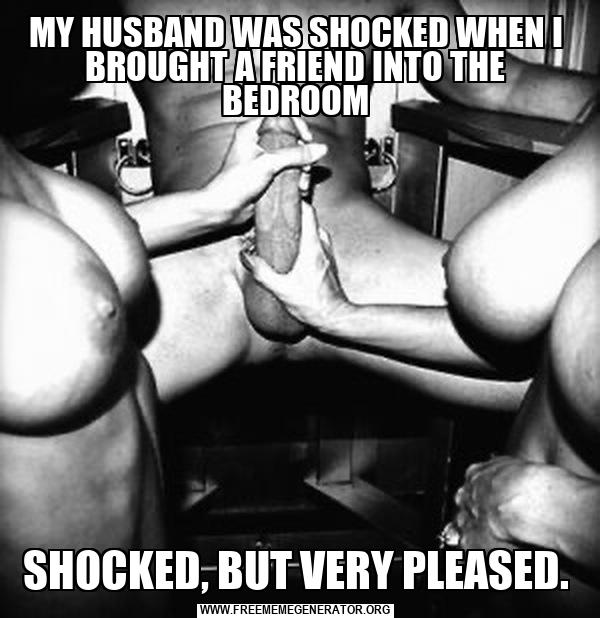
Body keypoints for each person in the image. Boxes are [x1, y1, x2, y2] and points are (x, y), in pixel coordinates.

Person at [118, 1, 599, 616]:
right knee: (58, 380)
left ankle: (516, 529)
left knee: (569, 364)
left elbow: (497, 82)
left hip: (350, 248)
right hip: (195, 245)